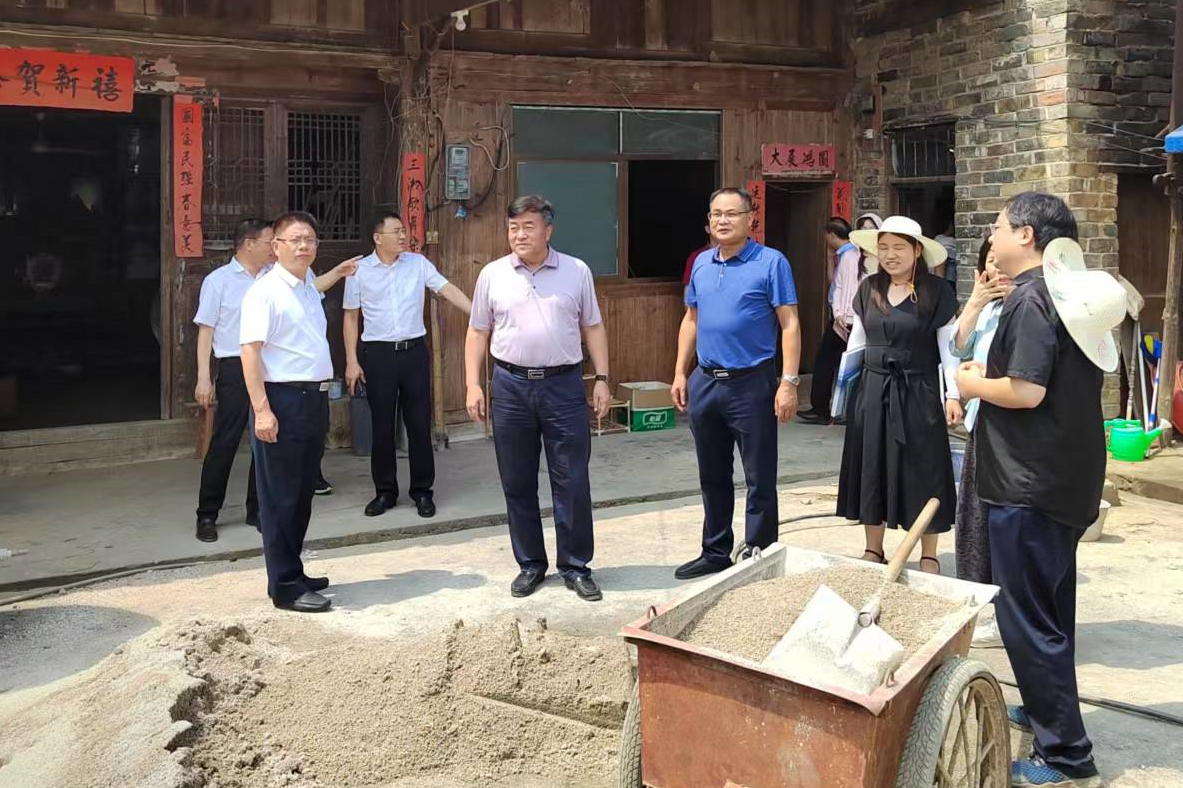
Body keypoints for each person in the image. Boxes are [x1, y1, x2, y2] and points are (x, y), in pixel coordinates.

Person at [957, 192, 1124, 788]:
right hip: (1064, 476)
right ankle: (1043, 703)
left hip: (1028, 481)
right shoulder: (1064, 296)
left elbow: (1026, 391)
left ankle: (1066, 756)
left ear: (1026, 235)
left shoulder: (1031, 299)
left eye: (1000, 226)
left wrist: (972, 383)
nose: (993, 235)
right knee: (1052, 607)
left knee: (1027, 617)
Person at [464, 195, 612, 602]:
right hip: (509, 386)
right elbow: (477, 331)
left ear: (548, 230)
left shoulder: (576, 271)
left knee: (572, 479)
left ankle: (575, 566)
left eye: (528, 227)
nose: (519, 235)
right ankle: (530, 564)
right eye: (513, 228)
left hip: (563, 385)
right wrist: (473, 384)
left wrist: (602, 378)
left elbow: (592, 326)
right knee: (517, 480)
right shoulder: (493, 274)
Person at [193, 218, 355, 543]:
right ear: (249, 244)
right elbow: (206, 330)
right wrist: (203, 377)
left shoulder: (280, 277)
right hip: (236, 367)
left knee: (265, 445)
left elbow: (311, 289)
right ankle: (207, 514)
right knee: (225, 442)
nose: (274, 247)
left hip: (272, 370)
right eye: (271, 241)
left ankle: (257, 510)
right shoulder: (219, 281)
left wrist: (338, 273)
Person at [670, 187, 802, 580]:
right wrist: (680, 372)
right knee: (712, 474)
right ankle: (715, 551)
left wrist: (788, 381)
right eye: (716, 214)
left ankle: (759, 554)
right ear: (708, 220)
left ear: (750, 219)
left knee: (759, 475)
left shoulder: (771, 262)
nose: (723, 221)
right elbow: (691, 319)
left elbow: (790, 323)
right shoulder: (701, 263)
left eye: (732, 213)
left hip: (752, 382)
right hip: (706, 381)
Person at [836, 215, 963, 573]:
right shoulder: (869, 288)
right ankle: (873, 548)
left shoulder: (937, 292)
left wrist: (953, 394)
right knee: (871, 464)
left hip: (919, 389)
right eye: (884, 248)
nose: (890, 255)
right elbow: (857, 343)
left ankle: (929, 554)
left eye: (898, 248)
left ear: (917, 251)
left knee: (925, 468)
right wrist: (843, 392)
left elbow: (948, 347)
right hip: (872, 389)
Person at [240, 211, 345, 613]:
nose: (304, 246)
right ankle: (284, 586)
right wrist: (262, 411)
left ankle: (294, 570)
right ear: (276, 246)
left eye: (310, 239)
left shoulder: (306, 289)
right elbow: (250, 353)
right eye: (295, 239)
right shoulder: (264, 292)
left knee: (301, 494)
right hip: (281, 400)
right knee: (280, 497)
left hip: (312, 400)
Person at [344, 211, 472, 519]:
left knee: (418, 424)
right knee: (382, 426)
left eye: (404, 231)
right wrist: (351, 360)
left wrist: (478, 314)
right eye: (396, 231)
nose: (403, 236)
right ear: (378, 238)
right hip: (378, 355)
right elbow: (350, 317)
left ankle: (422, 492)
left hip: (413, 352)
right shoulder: (358, 270)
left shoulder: (418, 264)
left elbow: (446, 289)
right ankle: (385, 492)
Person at [948, 237, 1011, 647]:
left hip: (1011, 427)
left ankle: (1006, 614)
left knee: (1002, 524)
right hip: (981, 423)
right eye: (991, 261)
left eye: (1003, 261)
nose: (997, 269)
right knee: (974, 519)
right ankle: (983, 605)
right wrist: (974, 301)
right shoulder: (987, 307)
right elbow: (958, 345)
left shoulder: (1027, 309)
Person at [799, 217, 859, 424]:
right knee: (835, 362)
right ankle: (832, 409)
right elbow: (835, 283)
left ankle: (823, 408)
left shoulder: (850, 256)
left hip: (845, 318)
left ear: (831, 235)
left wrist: (842, 314)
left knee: (827, 361)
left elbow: (847, 288)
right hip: (843, 316)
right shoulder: (845, 254)